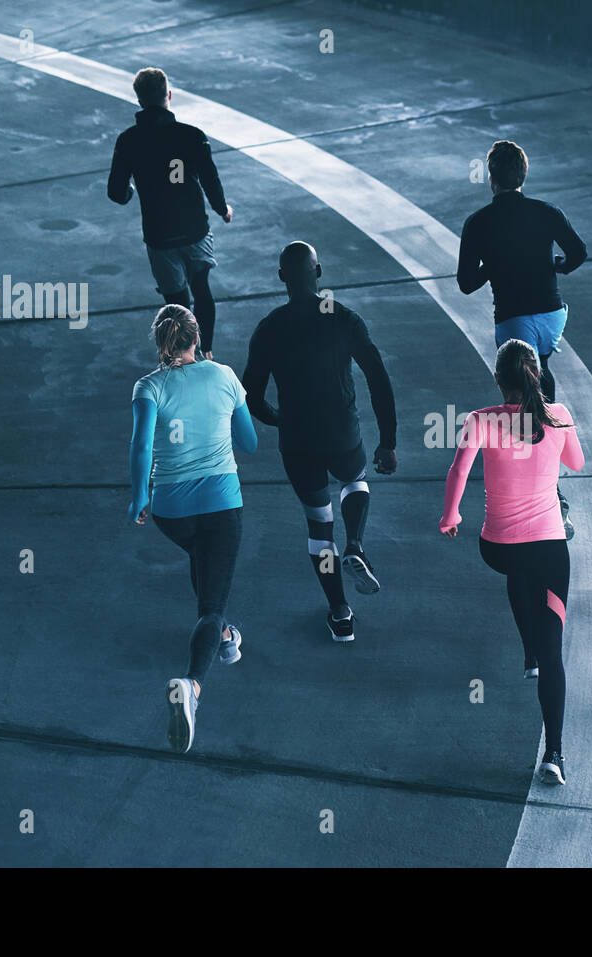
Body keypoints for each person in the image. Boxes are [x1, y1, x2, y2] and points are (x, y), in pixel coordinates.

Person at [440, 339, 584, 786]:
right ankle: (554, 753)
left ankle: (528, 653)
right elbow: (576, 464)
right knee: (553, 644)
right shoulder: (559, 415)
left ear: (499, 380)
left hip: (497, 547)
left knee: (518, 570)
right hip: (548, 548)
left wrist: (451, 514)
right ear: (536, 375)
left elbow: (459, 470)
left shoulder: (479, 421)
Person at [242, 242, 397, 643]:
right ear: (320, 272)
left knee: (319, 527)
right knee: (355, 481)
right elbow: (378, 379)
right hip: (341, 432)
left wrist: (279, 420)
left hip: (298, 442)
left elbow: (251, 396)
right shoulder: (343, 318)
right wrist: (388, 441)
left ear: (281, 278)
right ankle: (357, 544)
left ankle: (340, 613)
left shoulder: (270, 327)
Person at [129, 305, 257, 754]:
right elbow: (250, 442)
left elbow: (141, 444)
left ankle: (225, 638)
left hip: (170, 511)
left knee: (203, 559)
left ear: (161, 343)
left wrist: (139, 497)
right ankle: (193, 685)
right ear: (196, 336)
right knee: (211, 603)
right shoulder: (223, 376)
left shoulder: (149, 386)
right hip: (220, 505)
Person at [456, 140, 586, 538]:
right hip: (552, 315)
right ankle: (553, 466)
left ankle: (543, 488)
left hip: (512, 318)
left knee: (518, 391)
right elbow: (578, 253)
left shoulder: (478, 223)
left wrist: (492, 265)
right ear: (523, 175)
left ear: (491, 178)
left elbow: (465, 283)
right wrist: (553, 265)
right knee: (541, 372)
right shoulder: (546, 212)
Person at [108, 67, 233, 358]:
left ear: (139, 100)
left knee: (176, 302)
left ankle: (181, 356)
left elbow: (116, 192)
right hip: (194, 228)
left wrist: (131, 191)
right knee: (201, 287)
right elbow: (210, 181)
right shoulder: (191, 136)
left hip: (159, 233)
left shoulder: (128, 141)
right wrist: (222, 210)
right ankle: (208, 351)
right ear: (169, 96)